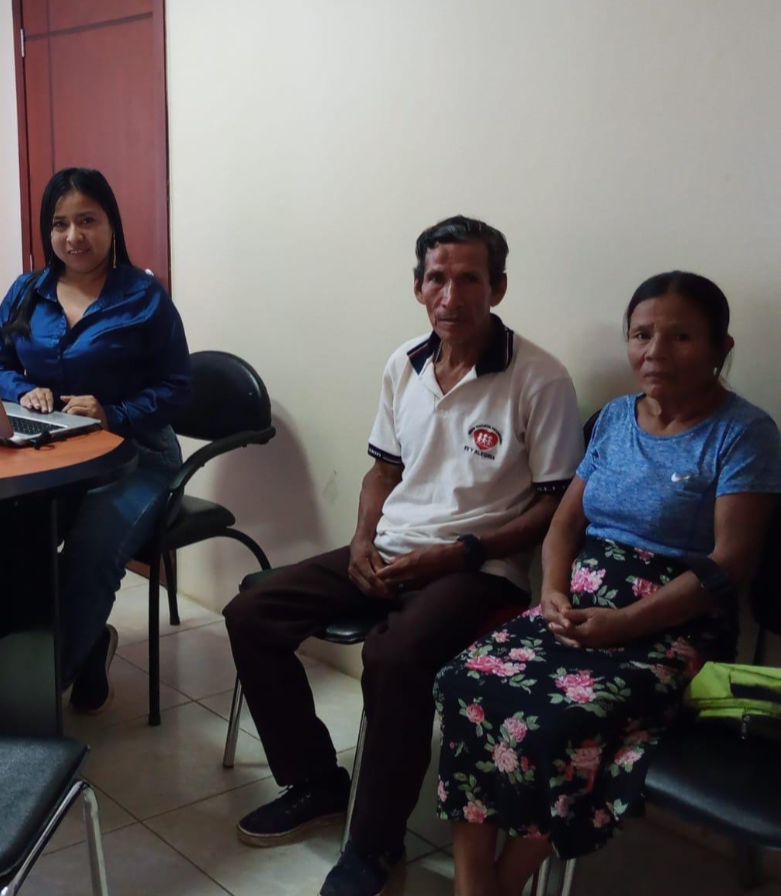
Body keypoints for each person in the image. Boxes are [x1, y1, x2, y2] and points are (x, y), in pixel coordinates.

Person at [223, 216, 583, 896]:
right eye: (436, 278)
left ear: (498, 287)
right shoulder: (405, 364)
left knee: (392, 656)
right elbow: (382, 471)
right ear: (418, 287)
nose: (451, 295)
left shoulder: (539, 378)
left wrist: (460, 553)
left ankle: (375, 845)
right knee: (252, 612)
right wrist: (363, 539)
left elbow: (554, 506)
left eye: (469, 279)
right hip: (390, 549)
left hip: (482, 570)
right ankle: (317, 783)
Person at [433, 271, 781, 896]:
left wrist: (624, 623)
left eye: (680, 337)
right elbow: (565, 524)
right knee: (465, 681)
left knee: (560, 722)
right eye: (641, 335)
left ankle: (500, 886)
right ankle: (472, 886)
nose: (655, 351)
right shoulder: (617, 418)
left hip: (675, 625)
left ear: (720, 348)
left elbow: (729, 563)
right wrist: (552, 592)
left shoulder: (744, 433)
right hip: (578, 606)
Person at [0, 166, 191, 713]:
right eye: (59, 224)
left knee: (91, 551)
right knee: (4, 536)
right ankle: (75, 646)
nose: (73, 236)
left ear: (111, 224)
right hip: (54, 450)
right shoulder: (27, 292)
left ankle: (36, 695)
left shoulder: (144, 297)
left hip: (138, 455)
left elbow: (178, 389)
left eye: (87, 221)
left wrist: (113, 412)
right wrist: (24, 389)